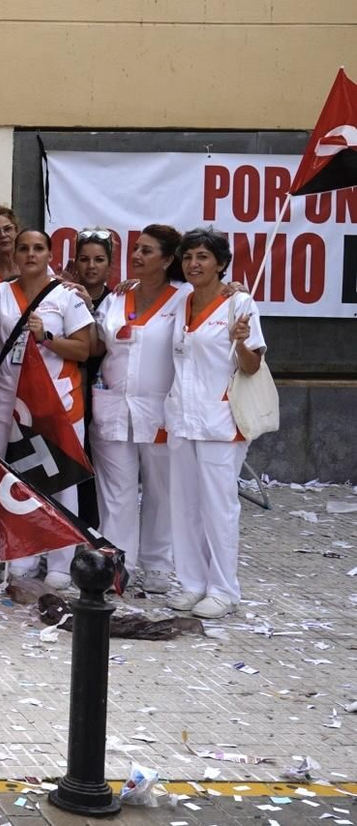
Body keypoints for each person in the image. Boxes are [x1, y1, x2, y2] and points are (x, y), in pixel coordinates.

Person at [0, 228, 94, 589]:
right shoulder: (0, 292)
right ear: (13, 255)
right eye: (23, 248)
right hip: (8, 403)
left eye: (38, 248)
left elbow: (84, 349)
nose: (30, 254)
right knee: (13, 478)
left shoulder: (66, 296)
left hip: (57, 403)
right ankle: (22, 553)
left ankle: (60, 559)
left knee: (61, 480)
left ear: (49, 255)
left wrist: (47, 338)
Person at [162, 228, 265, 619]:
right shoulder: (181, 300)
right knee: (184, 507)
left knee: (218, 508)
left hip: (220, 422)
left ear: (221, 263)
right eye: (188, 257)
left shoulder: (240, 303)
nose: (194, 264)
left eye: (203, 257)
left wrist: (240, 340)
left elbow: (252, 365)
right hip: (182, 418)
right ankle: (192, 583)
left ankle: (223, 590)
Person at [84, 225, 186, 595]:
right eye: (136, 248)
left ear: (168, 259)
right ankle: (116, 565)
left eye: (147, 250)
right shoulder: (117, 297)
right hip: (113, 406)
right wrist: (79, 306)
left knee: (161, 490)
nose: (137, 255)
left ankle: (157, 564)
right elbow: (96, 345)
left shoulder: (184, 298)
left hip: (160, 410)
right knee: (116, 492)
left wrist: (233, 291)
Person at [61, 228, 120, 528]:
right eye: (84, 259)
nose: (91, 266)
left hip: (106, 394)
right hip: (70, 390)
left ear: (110, 264)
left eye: (99, 259)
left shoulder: (119, 299)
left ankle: (94, 530)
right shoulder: (62, 296)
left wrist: (90, 307)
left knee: (98, 466)